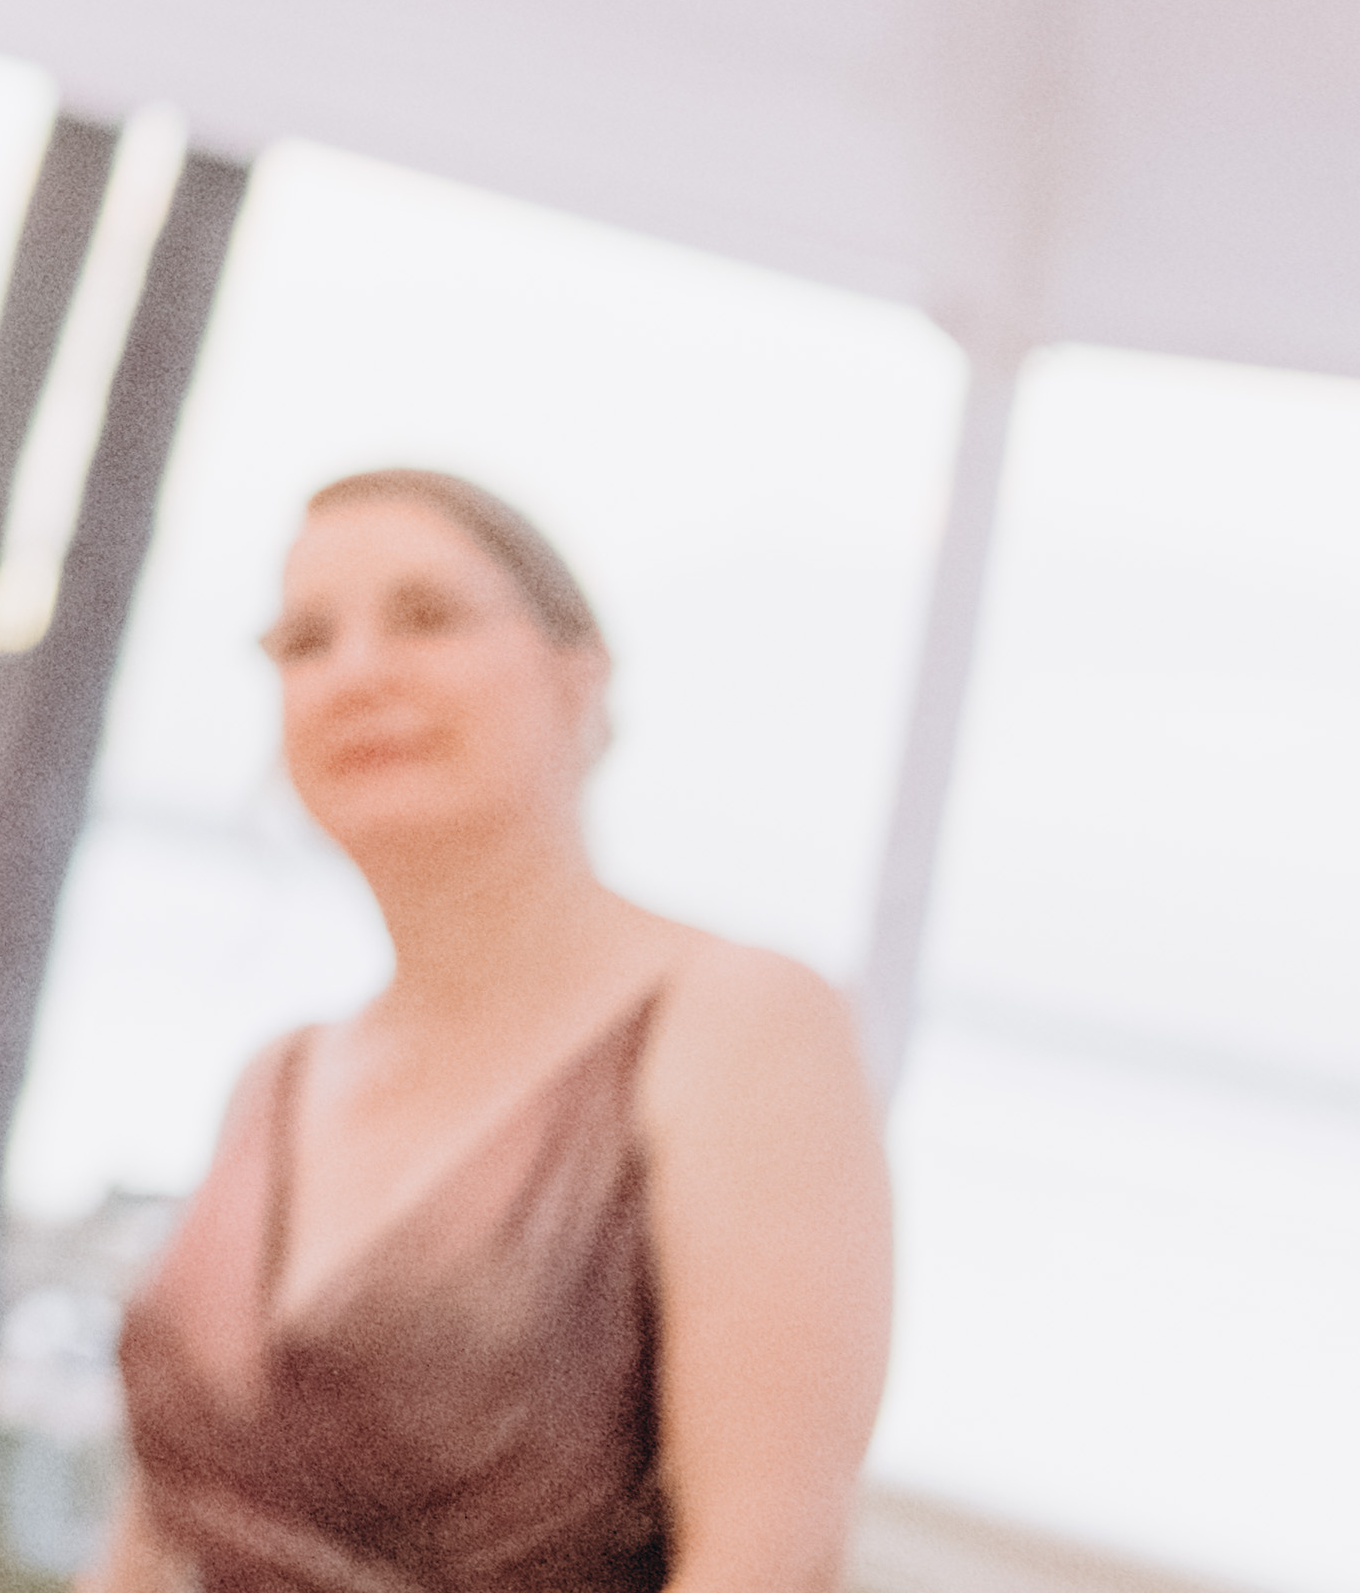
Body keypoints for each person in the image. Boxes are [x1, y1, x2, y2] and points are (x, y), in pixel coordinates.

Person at [91, 474, 893, 1593]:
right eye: (304, 641)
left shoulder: (738, 1022)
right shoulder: (277, 1075)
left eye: (426, 617)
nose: (357, 672)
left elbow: (769, 1562)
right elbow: (154, 1538)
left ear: (579, 677)